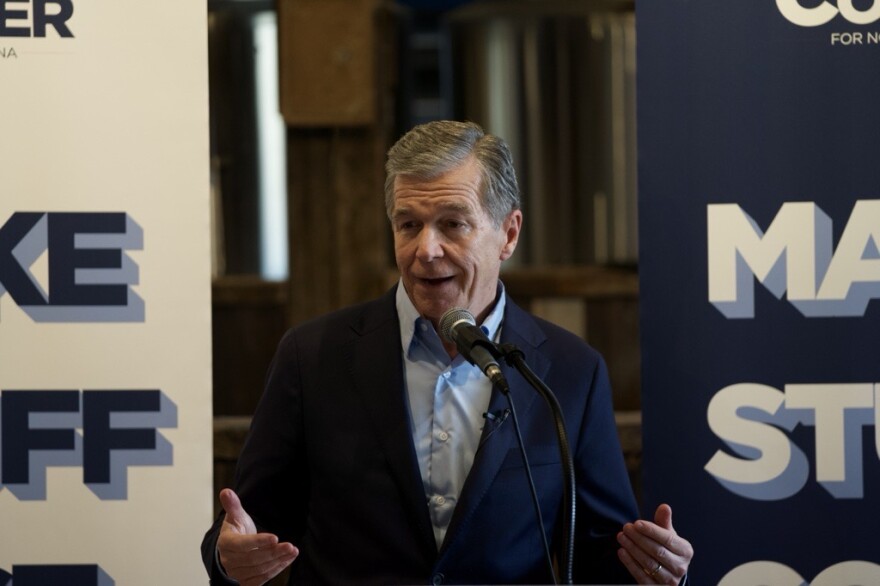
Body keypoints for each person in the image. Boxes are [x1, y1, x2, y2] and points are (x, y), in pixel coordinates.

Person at [201, 120, 693, 585]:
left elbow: (602, 553)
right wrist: (227, 558)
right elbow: (247, 526)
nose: (426, 249)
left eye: (453, 224)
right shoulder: (312, 357)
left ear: (509, 233)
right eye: (408, 225)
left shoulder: (569, 371)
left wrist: (654, 568)